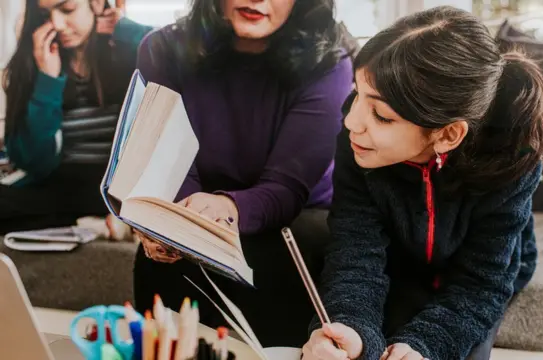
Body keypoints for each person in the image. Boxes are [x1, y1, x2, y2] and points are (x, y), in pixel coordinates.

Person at [302, 6, 543, 360]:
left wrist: (424, 347)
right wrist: (351, 328)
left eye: (381, 115)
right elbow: (355, 251)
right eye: (357, 94)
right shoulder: (359, 139)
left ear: (448, 134)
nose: (352, 122)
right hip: (399, 259)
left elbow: (482, 283)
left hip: (477, 281)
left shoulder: (512, 158)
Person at [132, 0, 354, 348]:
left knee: (277, 254)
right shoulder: (162, 49)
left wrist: (225, 209)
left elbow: (285, 187)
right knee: (163, 254)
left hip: (291, 220)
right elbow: (170, 164)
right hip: (198, 205)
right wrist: (174, 221)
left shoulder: (329, 63)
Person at [1, 0, 153, 233]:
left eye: (67, 9)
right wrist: (47, 82)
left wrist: (125, 28)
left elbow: (181, 54)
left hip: (116, 186)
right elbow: (36, 164)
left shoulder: (130, 51)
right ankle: (94, 223)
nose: (56, 24)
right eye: (45, 15)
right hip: (59, 185)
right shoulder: (32, 63)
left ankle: (97, 220)